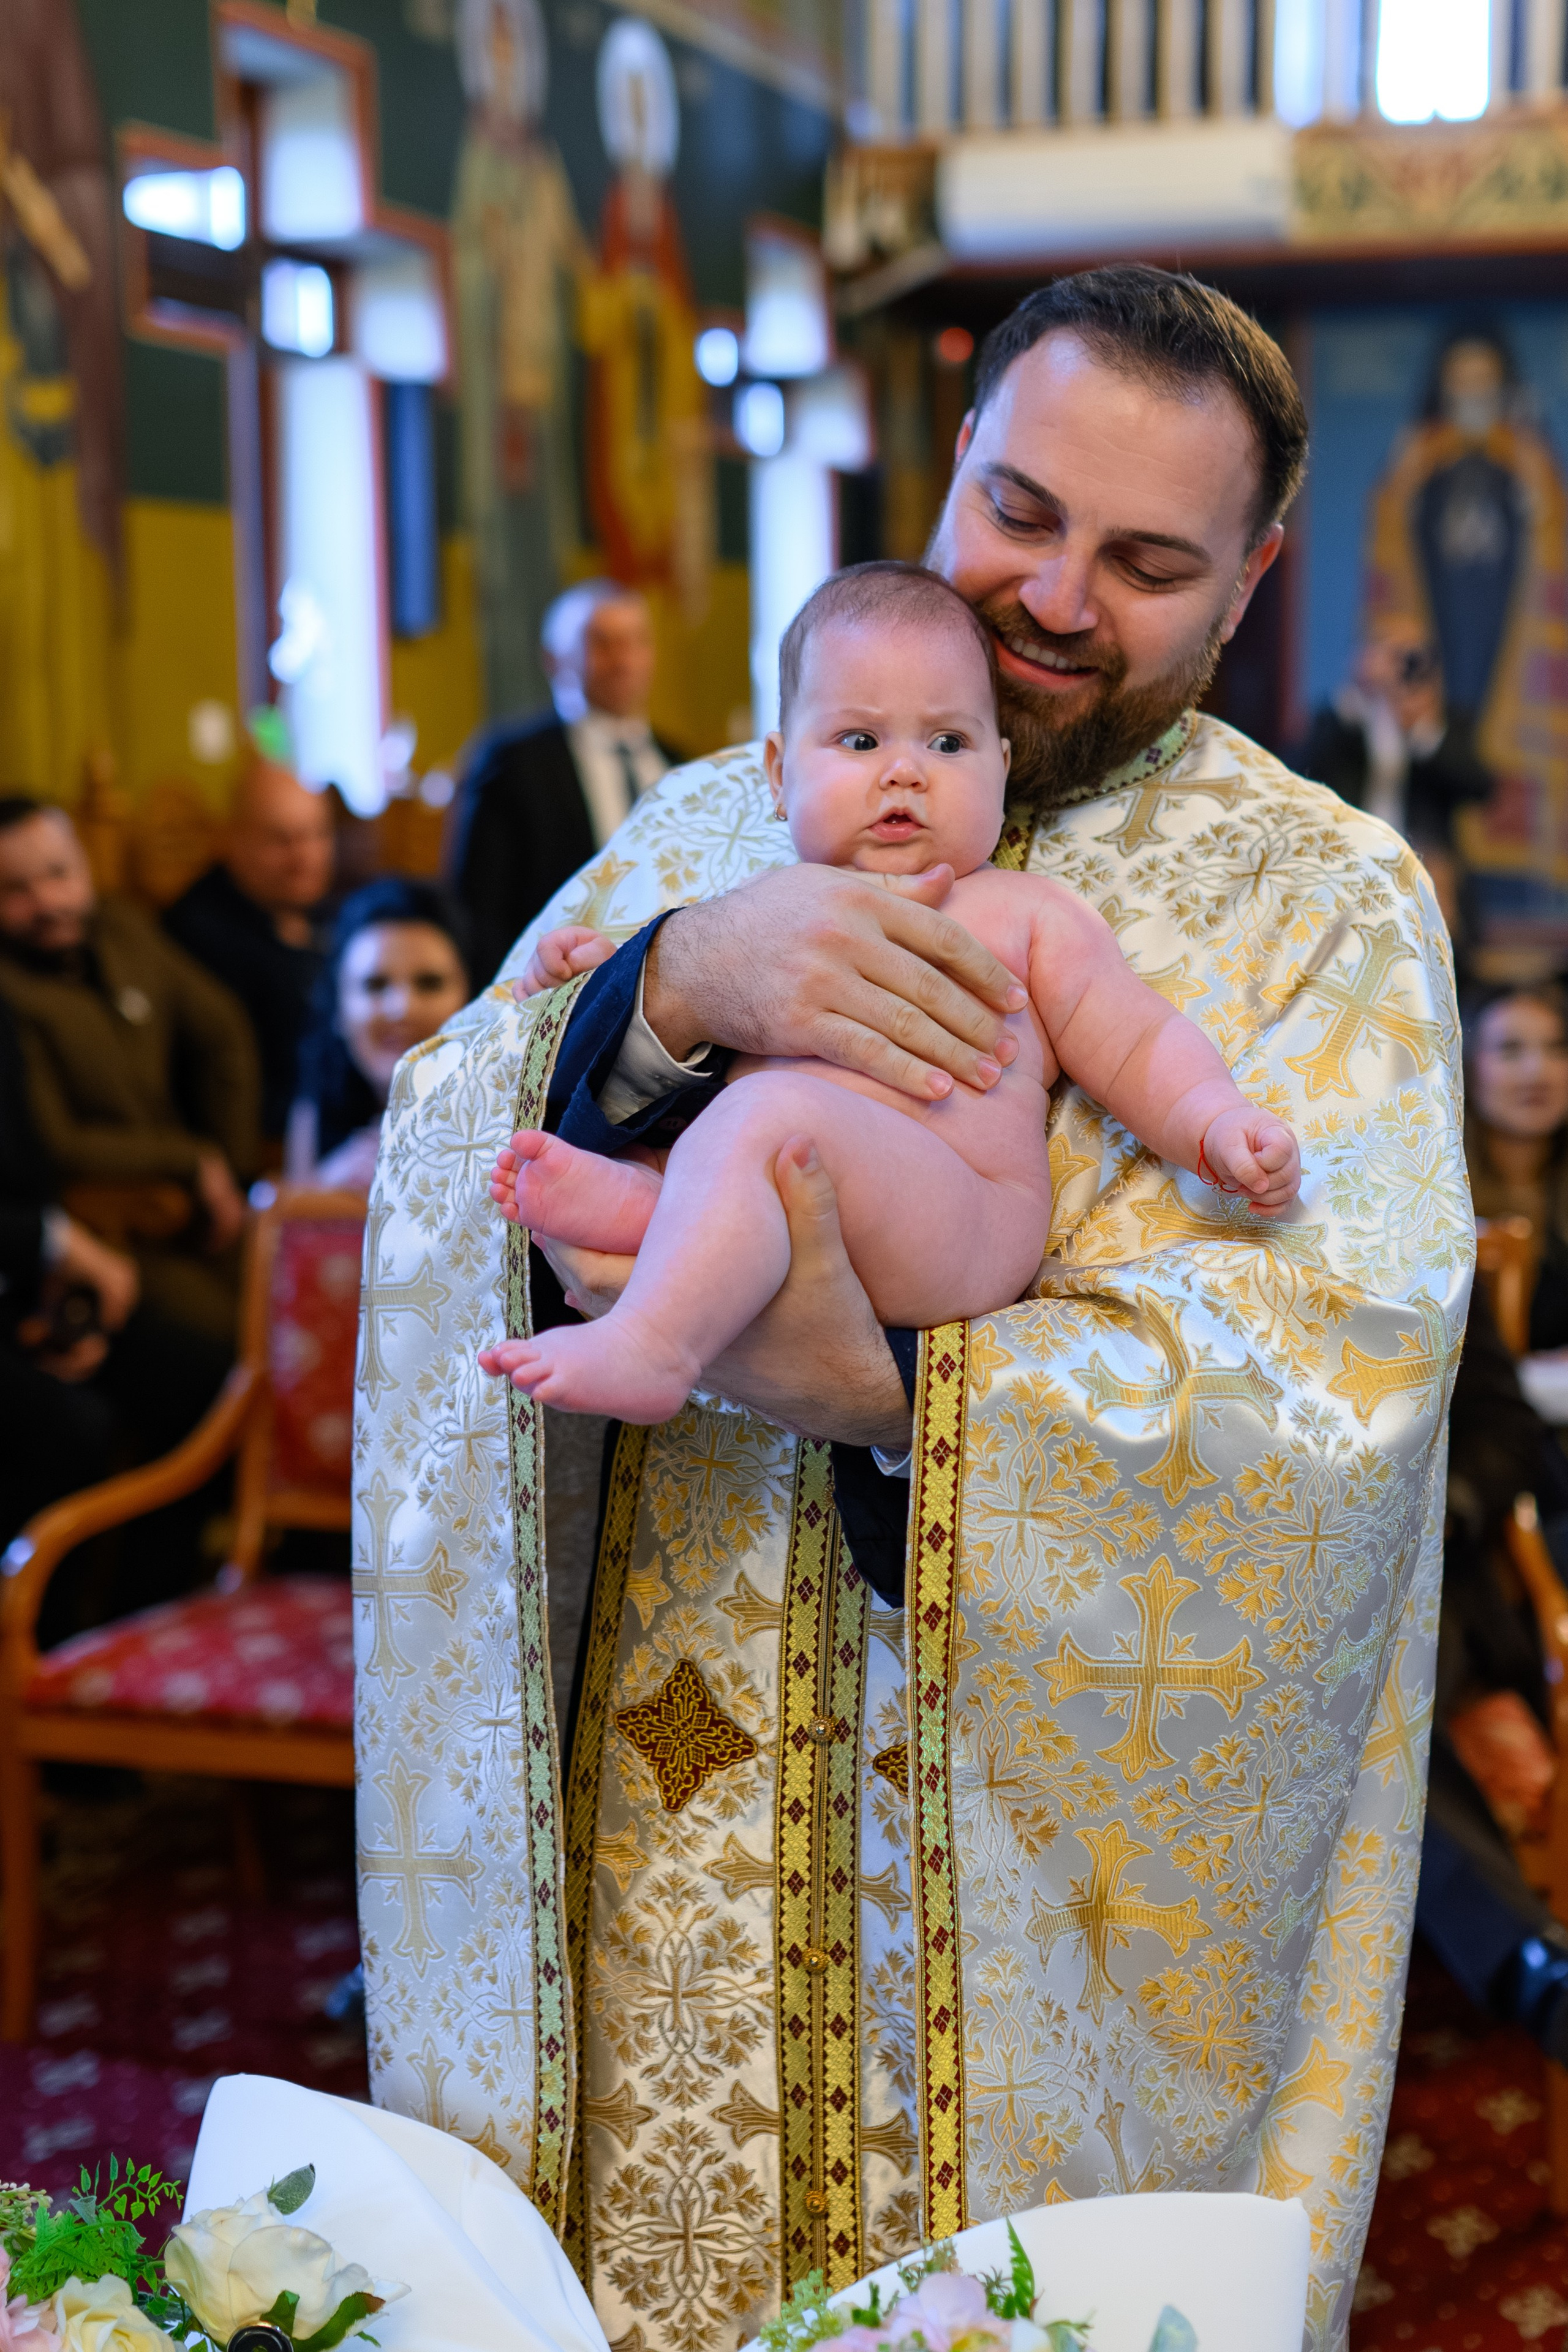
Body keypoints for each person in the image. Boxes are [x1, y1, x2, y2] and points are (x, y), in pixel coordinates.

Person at [355, 266, 1468, 2343]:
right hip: (666, 1818)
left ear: (1251, 582)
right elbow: (435, 1152)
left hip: (1041, 1910)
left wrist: (884, 1396)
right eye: (1020, 512)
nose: (1054, 595)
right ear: (955, 460)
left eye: (1147, 564)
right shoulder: (710, 819)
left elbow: (1331, 1388)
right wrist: (675, 985)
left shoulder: (1327, 904)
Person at [481, 563, 1300, 1423]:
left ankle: (654, 1344)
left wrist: (1213, 1119)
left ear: (1001, 767)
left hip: (960, 1211)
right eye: (860, 741)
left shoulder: (1022, 914)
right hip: (799, 1182)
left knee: (762, 1117)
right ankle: (643, 1211)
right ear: (778, 772)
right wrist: (601, 970)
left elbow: (1135, 1040)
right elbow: (676, 987)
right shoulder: (760, 907)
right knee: (706, 1143)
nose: (905, 771)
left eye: (947, 743)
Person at [0, 993, 230, 1639]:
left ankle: (137, 1625)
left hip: (21, 1277)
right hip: (23, 1255)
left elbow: (29, 1168)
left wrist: (56, 1300)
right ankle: (37, 1650)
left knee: (198, 1378)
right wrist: (50, 1243)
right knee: (67, 1428)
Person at [0, 797, 257, 1346]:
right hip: (108, 1227)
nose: (46, 901)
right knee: (235, 1338)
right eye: (15, 890)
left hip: (205, 1206)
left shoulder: (122, 928)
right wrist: (190, 1159)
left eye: (58, 874)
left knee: (306, 1297)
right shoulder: (10, 994)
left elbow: (223, 1034)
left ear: (85, 866)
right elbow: (58, 1144)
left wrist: (231, 1170)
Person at [448, 579, 677, 984]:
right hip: (550, 987)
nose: (623, 660)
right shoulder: (512, 763)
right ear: (554, 659)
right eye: (602, 643)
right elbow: (478, 908)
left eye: (636, 642)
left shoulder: (680, 764)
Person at [164, 758, 336, 1148]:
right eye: (281, 840)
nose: (303, 857)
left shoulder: (323, 913)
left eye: (316, 835)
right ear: (232, 840)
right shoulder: (200, 935)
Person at [285, 878, 470, 1193]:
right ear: (338, 1008)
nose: (402, 1009)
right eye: (375, 985)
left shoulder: (510, 1112)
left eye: (429, 984)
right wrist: (330, 1184)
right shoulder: (315, 1106)